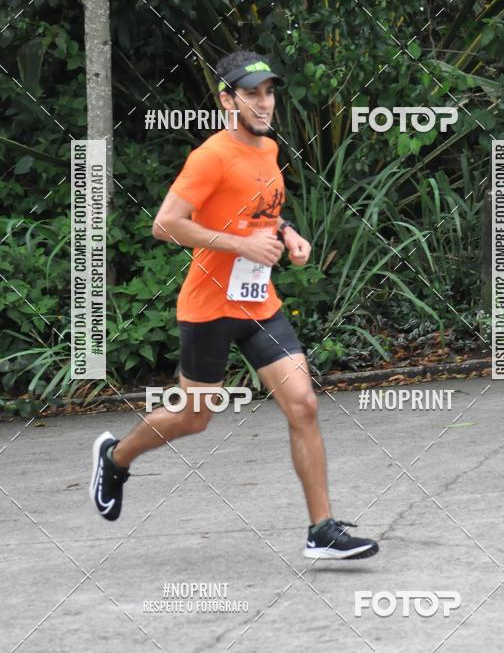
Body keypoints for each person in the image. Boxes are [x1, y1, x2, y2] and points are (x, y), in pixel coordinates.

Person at [90, 50, 379, 560]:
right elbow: (166, 224)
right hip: (209, 307)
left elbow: (264, 214)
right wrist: (240, 245)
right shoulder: (211, 156)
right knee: (194, 417)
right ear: (228, 99)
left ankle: (322, 530)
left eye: (269, 92)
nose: (265, 102)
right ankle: (116, 457)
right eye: (252, 93)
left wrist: (288, 234)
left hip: (259, 304)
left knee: (304, 405)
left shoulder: (266, 151)